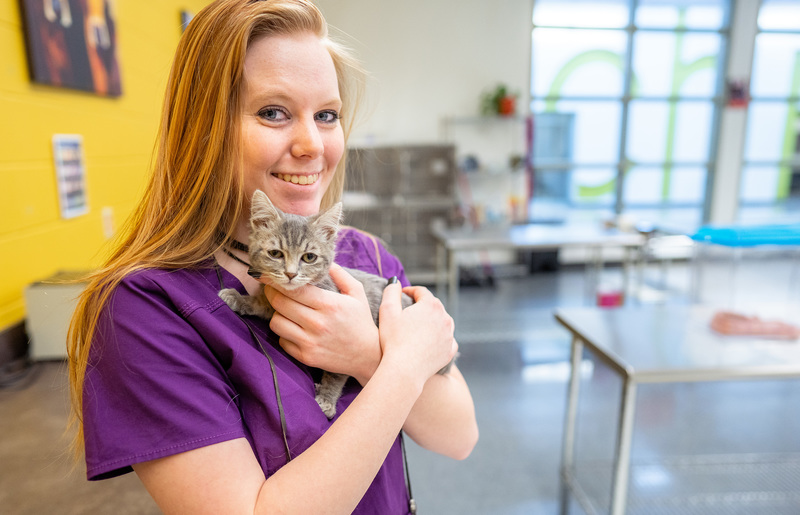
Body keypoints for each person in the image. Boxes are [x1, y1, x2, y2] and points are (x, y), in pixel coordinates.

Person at [66, 0, 478, 513]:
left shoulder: (366, 256)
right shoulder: (146, 309)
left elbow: (458, 436)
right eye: (273, 112)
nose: (312, 144)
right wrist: (400, 369)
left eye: (326, 115)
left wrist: (367, 357)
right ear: (205, 128)